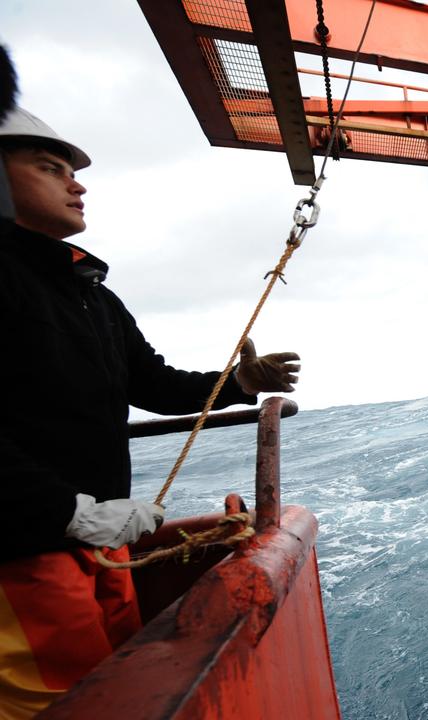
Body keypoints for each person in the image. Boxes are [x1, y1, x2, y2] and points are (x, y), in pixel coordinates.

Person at [0, 107, 301, 717]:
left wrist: (237, 381)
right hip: (21, 553)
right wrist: (68, 511)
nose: (77, 183)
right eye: (50, 168)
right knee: (62, 704)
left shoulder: (91, 293)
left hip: (99, 541)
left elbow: (154, 382)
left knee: (110, 683)